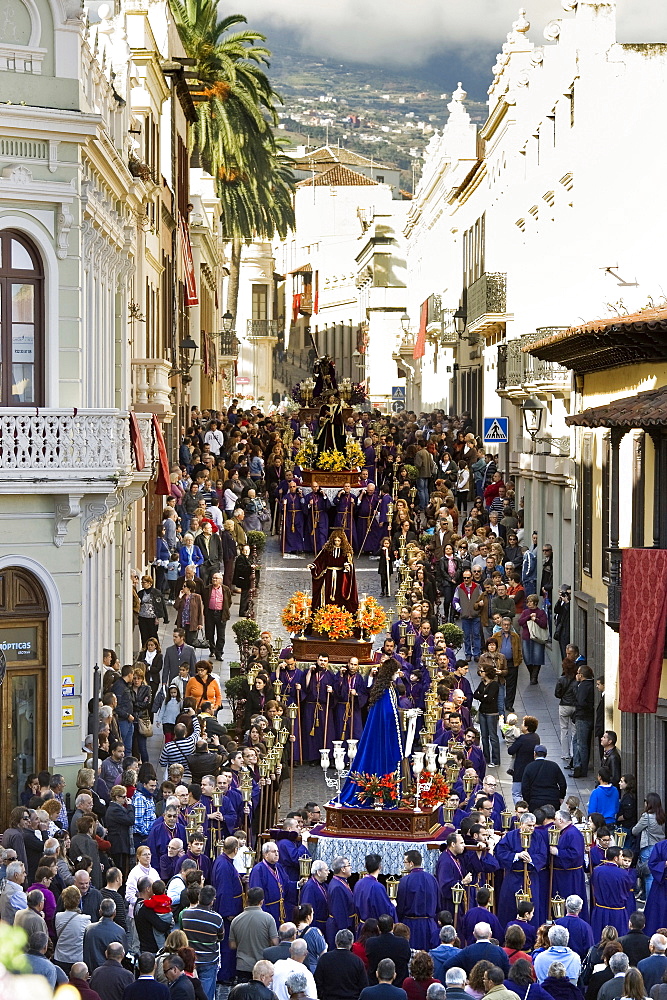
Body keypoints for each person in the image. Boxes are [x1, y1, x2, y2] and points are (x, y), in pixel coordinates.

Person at [339, 658, 404, 806]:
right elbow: (389, 713)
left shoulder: (389, 688)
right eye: (396, 671)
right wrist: (405, 715)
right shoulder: (386, 690)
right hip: (381, 737)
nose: (398, 674)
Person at [229, 887, 279, 981]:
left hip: (243, 966)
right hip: (262, 968)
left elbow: (232, 945)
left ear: (247, 900)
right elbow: (275, 942)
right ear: (261, 902)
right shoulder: (268, 919)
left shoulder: (236, 920)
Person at [396, 850, 439, 951]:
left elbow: (400, 907)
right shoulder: (432, 879)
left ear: (411, 863)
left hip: (411, 926)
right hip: (429, 924)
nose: (404, 865)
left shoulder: (405, 881)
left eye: (404, 862)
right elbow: (438, 904)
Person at [314, 928, 369, 1000]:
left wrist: (323, 997)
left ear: (336, 942)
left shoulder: (324, 959)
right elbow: (364, 986)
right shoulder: (357, 961)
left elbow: (317, 982)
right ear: (351, 943)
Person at [443, 923, 509, 977]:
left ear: (474, 934)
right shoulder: (500, 951)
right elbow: (507, 971)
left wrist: (464, 979)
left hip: (473, 989)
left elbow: (447, 965)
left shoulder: (467, 951)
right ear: (490, 934)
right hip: (494, 988)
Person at [366, 915, 413, 987]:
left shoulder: (370, 943)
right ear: (392, 927)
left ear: (378, 928)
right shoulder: (403, 943)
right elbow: (407, 959)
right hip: (399, 984)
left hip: (375, 984)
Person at [54, 885, 91, 975]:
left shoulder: (58, 917)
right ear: (78, 900)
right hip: (77, 959)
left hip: (60, 958)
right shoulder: (85, 919)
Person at [83, 899, 127, 972]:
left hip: (92, 972)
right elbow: (124, 952)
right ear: (114, 913)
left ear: (100, 912)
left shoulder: (89, 929)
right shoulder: (119, 931)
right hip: (112, 972)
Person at [521, 746, 567, 812]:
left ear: (534, 754)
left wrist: (527, 801)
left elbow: (525, 787)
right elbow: (563, 784)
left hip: (535, 801)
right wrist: (561, 797)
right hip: (552, 800)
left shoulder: (529, 767)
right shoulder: (554, 766)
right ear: (546, 754)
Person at [354, 854, 395, 923]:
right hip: (374, 928)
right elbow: (384, 911)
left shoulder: (358, 883)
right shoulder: (377, 887)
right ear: (380, 867)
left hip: (362, 926)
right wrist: (392, 906)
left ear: (365, 867)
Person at [517, 596, 549, 687]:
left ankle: (534, 677)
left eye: (531, 602)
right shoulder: (525, 612)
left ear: (535, 602)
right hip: (527, 637)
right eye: (528, 602)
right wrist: (529, 617)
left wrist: (536, 620)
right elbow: (520, 622)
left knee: (537, 657)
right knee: (527, 658)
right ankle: (532, 675)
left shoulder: (541, 612)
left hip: (537, 637)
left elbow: (544, 624)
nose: (529, 604)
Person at [507, 717, 540, 804]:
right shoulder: (536, 737)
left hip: (519, 770)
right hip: (531, 770)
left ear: (527, 727)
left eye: (523, 723)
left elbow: (511, 751)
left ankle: (520, 810)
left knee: (517, 793)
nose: (521, 725)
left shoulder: (522, 739)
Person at [571, 666, 595, 779]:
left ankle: (580, 767)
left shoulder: (583, 686)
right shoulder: (590, 684)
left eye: (578, 673)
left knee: (581, 743)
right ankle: (577, 764)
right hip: (586, 716)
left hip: (583, 717)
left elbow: (580, 701)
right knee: (577, 741)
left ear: (581, 675)